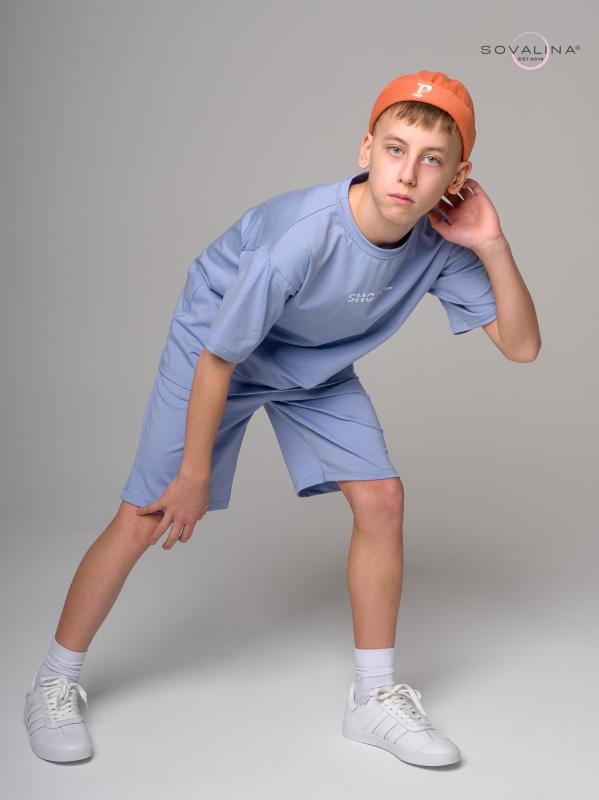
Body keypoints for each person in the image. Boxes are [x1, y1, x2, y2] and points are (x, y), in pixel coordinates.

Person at [23, 69, 541, 768]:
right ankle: (52, 683)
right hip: (220, 351)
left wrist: (492, 243)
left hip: (312, 365)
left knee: (382, 498)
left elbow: (521, 346)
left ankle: (373, 698)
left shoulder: (439, 243)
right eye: (394, 149)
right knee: (145, 515)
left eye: (431, 161)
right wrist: (194, 474)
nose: (407, 173)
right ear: (365, 149)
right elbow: (218, 359)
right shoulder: (300, 236)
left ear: (457, 176)